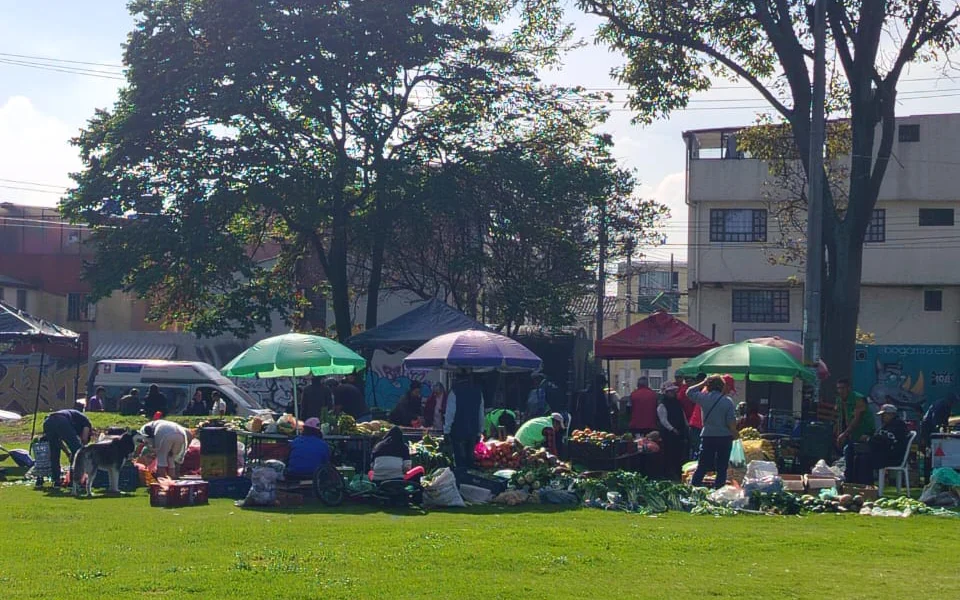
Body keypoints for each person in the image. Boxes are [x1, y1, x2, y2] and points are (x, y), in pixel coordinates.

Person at [687, 375, 738, 489]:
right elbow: (730, 421)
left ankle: (694, 487)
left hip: (708, 435)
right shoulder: (727, 401)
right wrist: (735, 433)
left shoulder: (703, 398)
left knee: (702, 465)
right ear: (722, 386)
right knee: (721, 467)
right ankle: (719, 489)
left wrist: (703, 383)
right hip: (724, 437)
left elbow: (689, 392)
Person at [835, 378, 876, 484]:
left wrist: (844, 434)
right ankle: (849, 482)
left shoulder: (858, 398)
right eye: (838, 388)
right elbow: (840, 418)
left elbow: (856, 420)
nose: (840, 391)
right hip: (851, 434)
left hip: (864, 432)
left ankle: (864, 484)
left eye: (843, 388)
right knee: (848, 455)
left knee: (861, 459)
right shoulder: (839, 400)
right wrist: (839, 433)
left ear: (849, 388)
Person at [38, 409, 92, 488]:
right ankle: (74, 481)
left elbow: (59, 443)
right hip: (61, 420)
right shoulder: (87, 423)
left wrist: (68, 453)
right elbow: (84, 440)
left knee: (54, 453)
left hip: (48, 421)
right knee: (78, 451)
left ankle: (56, 481)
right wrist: (82, 450)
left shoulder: (75, 423)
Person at [443, 371, 485, 469]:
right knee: (470, 461)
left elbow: (450, 414)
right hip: (473, 432)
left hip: (458, 431)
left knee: (460, 461)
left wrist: (446, 431)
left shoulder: (454, 391)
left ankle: (461, 480)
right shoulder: (478, 391)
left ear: (457, 378)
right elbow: (481, 413)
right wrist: (480, 431)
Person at [657, 384, 689, 481]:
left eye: (674, 391)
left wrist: (687, 426)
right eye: (670, 392)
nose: (673, 393)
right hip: (668, 434)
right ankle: (668, 473)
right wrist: (672, 429)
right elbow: (663, 420)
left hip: (680, 432)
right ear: (665, 393)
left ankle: (678, 472)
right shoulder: (662, 404)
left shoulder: (678, 403)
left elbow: (683, 415)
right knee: (669, 454)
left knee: (679, 454)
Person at [869, 404, 909, 473]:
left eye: (883, 415)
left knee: (865, 458)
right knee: (862, 454)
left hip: (895, 458)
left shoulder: (898, 425)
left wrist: (869, 439)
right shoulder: (887, 425)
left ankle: (866, 482)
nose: (881, 417)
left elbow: (887, 441)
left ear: (891, 414)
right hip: (887, 454)